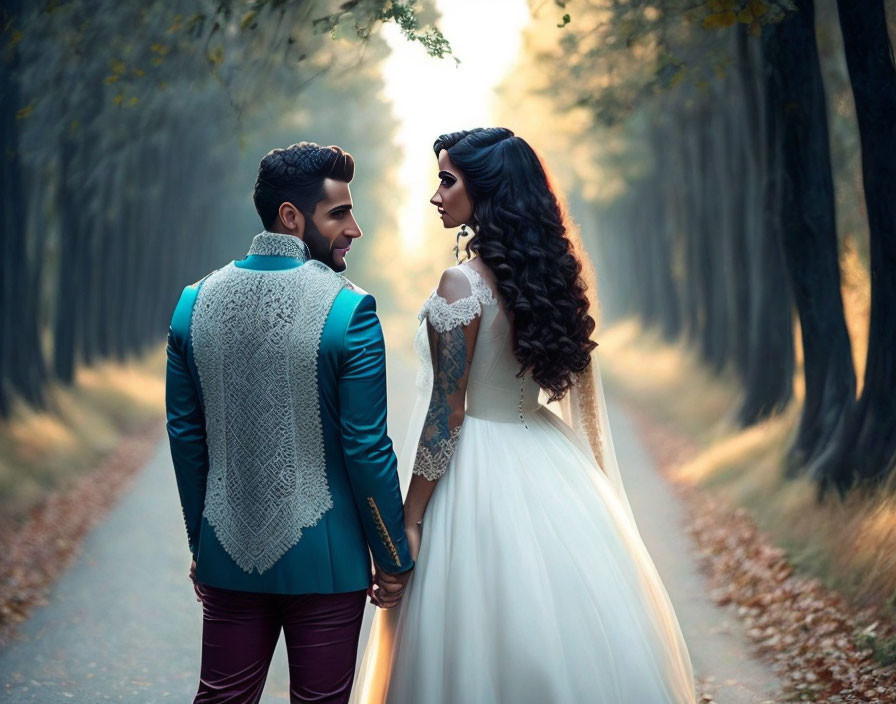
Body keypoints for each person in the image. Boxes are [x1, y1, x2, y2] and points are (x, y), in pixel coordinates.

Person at [352, 128, 696, 703]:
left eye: (446, 180)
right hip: (543, 455)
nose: (435, 196)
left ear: (484, 190)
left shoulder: (461, 282)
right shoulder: (550, 280)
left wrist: (409, 519)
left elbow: (448, 410)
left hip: (473, 469)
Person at [165, 142, 413, 704]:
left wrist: (203, 544)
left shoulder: (192, 303)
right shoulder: (351, 310)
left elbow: (185, 438)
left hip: (227, 553)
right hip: (330, 565)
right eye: (339, 213)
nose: (355, 228)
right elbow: (367, 447)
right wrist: (392, 555)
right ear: (291, 217)